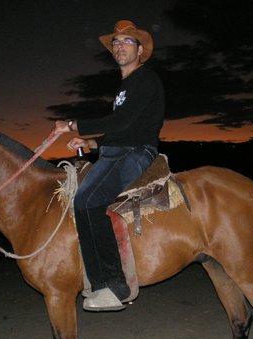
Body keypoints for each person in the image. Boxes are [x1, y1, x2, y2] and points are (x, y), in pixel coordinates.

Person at [53, 20, 164, 311]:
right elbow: (120, 129)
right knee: (82, 202)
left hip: (135, 153)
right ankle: (97, 281)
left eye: (127, 42)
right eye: (116, 43)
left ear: (140, 50)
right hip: (119, 149)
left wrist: (72, 124)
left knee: (88, 201)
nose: (119, 46)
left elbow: (122, 123)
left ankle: (114, 285)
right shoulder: (125, 88)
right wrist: (91, 145)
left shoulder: (146, 79)